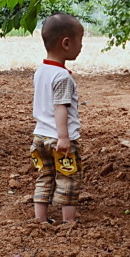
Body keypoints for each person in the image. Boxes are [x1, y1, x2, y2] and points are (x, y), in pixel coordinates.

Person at [31, 13, 85, 224]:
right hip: (58, 139)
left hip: (39, 137)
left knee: (45, 177)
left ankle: (40, 219)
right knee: (68, 179)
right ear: (66, 43)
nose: (81, 46)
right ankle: (68, 222)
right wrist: (64, 137)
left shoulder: (41, 71)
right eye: (80, 41)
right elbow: (60, 107)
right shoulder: (62, 77)